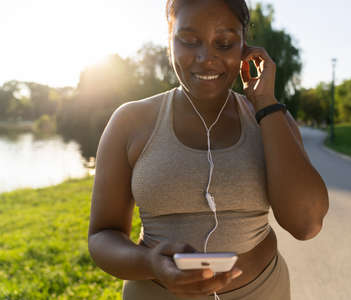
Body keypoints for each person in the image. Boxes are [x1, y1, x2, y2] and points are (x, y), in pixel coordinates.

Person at [87, 0, 329, 299]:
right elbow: (102, 237)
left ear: (245, 47)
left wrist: (265, 103)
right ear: (169, 40)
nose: (206, 57)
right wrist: (150, 263)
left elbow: (306, 224)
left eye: (225, 43)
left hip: (263, 291)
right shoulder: (130, 121)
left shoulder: (272, 119)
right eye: (189, 41)